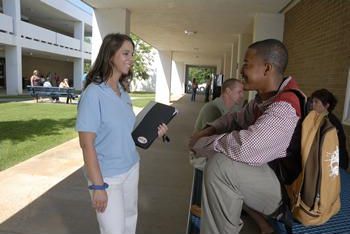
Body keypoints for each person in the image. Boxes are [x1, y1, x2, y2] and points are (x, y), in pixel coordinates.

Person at [189, 39, 303, 234]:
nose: (241, 70)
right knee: (222, 166)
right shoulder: (266, 98)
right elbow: (235, 119)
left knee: (221, 166)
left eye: (247, 64)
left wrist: (202, 143)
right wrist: (208, 130)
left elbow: (246, 147)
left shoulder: (285, 106)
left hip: (288, 192)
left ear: (266, 69)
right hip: (272, 175)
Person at [76, 33, 168, 234]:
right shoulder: (93, 94)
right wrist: (98, 187)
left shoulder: (122, 92)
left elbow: (129, 132)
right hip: (108, 176)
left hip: (131, 167)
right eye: (125, 53)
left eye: (132, 54)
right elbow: (86, 144)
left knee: (129, 225)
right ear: (110, 56)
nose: (131, 59)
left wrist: (154, 131)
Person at [310, 89, 349, 170]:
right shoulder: (320, 117)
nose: (312, 105)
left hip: (337, 160)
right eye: (312, 101)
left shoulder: (330, 121)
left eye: (316, 102)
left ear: (327, 105)